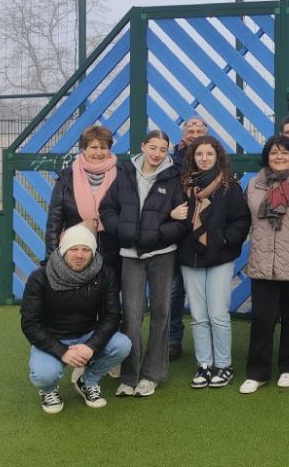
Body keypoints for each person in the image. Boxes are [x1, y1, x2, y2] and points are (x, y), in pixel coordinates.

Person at [99, 129, 186, 398]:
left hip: (162, 254)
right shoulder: (124, 174)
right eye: (153, 147)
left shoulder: (174, 177)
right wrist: (123, 232)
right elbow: (107, 209)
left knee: (161, 313)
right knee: (132, 316)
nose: (157, 154)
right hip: (130, 256)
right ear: (143, 146)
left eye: (163, 149)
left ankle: (152, 375)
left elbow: (181, 218)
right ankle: (129, 376)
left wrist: (158, 235)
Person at [21, 225, 131, 414]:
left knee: (122, 345)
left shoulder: (105, 273)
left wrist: (91, 345)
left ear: (93, 251)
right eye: (74, 249)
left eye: (86, 249)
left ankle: (88, 381)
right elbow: (30, 323)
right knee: (43, 374)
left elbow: (112, 315)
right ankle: (48, 390)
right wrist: (61, 351)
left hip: (87, 334)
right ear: (63, 250)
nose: (80, 255)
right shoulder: (39, 277)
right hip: (52, 337)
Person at [240, 135, 289, 394]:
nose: (279, 157)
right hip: (262, 262)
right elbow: (242, 219)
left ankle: (288, 368)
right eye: (274, 153)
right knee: (262, 319)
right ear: (267, 156)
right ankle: (257, 372)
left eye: (285, 153)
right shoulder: (254, 184)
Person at [171, 135, 251, 389]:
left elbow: (241, 220)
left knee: (217, 314)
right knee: (198, 315)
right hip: (190, 257)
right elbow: (170, 217)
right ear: (191, 158)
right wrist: (173, 215)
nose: (204, 159)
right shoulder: (182, 186)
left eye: (209, 154)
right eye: (199, 154)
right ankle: (204, 364)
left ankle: (223, 365)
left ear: (218, 157)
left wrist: (224, 240)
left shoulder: (229, 186)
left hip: (219, 257)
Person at [43, 125, 120, 276]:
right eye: (94, 147)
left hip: (113, 254)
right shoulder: (66, 178)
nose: (99, 153)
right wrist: (52, 258)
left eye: (104, 148)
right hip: (76, 252)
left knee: (108, 297)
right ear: (83, 149)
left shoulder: (121, 176)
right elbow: (54, 221)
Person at [169, 116, 208, 361]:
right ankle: (173, 340)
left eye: (199, 129)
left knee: (204, 292)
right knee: (174, 290)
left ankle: (207, 341)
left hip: (204, 236)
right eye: (190, 129)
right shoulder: (171, 161)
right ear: (183, 134)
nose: (194, 132)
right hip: (175, 234)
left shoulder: (215, 158)